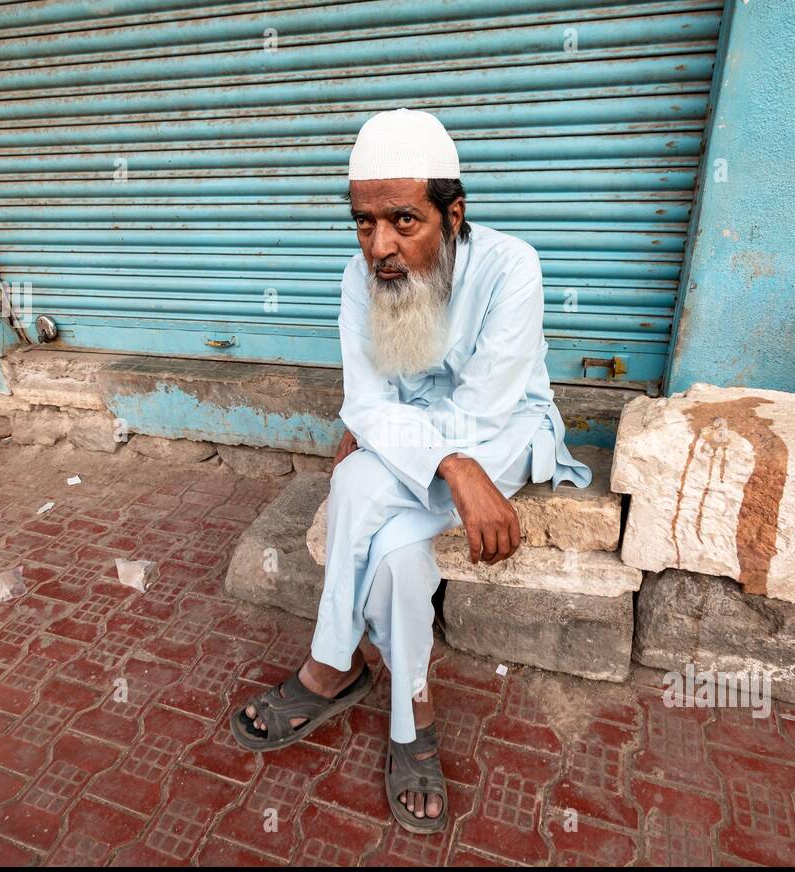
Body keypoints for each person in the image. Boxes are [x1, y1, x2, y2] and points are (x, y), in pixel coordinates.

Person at [231, 108, 591, 833]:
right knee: (395, 556)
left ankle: (330, 669)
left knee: (359, 481)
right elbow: (365, 396)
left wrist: (428, 451)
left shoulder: (511, 265)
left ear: (452, 216)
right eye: (364, 224)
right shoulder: (356, 275)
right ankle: (410, 716)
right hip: (437, 451)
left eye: (403, 221)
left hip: (500, 438)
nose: (379, 247)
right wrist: (432, 457)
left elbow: (486, 413)